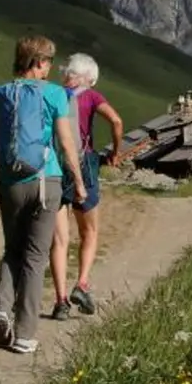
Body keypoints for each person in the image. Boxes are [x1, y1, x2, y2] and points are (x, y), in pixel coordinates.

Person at [0, 35, 85, 355]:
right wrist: (77, 182)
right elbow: (66, 144)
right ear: (38, 62)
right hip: (45, 181)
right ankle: (24, 334)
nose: (50, 67)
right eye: (48, 61)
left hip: (10, 183)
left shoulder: (0, 94)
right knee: (36, 258)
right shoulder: (54, 94)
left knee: (12, 251)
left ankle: (1, 311)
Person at [48, 53, 124, 320]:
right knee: (89, 230)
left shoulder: (52, 93)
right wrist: (115, 152)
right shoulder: (92, 96)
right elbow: (115, 121)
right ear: (89, 78)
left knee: (59, 239)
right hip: (84, 166)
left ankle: (60, 301)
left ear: (67, 73)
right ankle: (81, 283)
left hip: (53, 168)